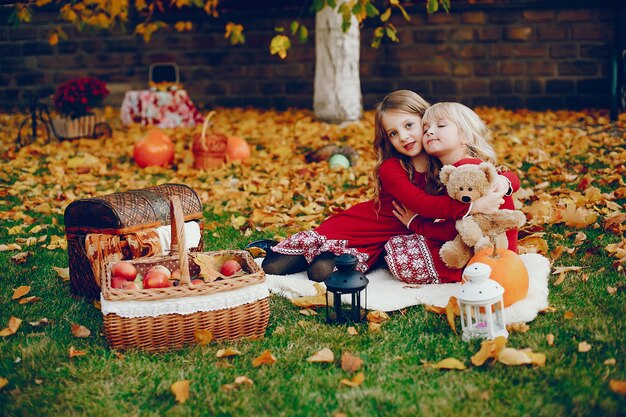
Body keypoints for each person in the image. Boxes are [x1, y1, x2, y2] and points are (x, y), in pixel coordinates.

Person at [261, 90, 509, 282]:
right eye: (393, 133)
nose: (403, 137)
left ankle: (326, 256)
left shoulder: (444, 161)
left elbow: (492, 173)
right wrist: (472, 208)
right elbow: (421, 204)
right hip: (362, 228)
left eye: (409, 126)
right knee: (271, 266)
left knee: (321, 271)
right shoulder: (392, 168)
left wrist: (505, 182)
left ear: (425, 123)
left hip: (386, 242)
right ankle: (273, 247)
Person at [386, 101, 521, 284]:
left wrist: (415, 223)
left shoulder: (466, 173)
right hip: (479, 247)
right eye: (425, 129)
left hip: (488, 256)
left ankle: (465, 274)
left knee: (401, 253)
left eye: (441, 125)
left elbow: (451, 231)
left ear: (465, 136)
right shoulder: (462, 168)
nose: (430, 132)